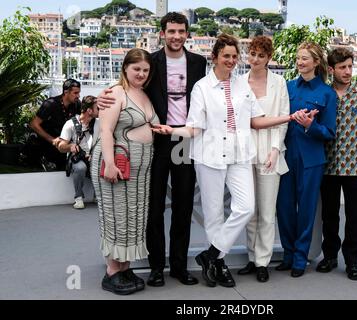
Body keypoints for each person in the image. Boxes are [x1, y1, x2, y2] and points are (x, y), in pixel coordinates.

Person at [153, 34, 299, 288]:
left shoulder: (243, 86)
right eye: (226, 56)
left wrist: (289, 118)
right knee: (213, 215)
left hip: (240, 154)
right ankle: (218, 264)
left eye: (234, 56)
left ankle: (211, 254)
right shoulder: (202, 88)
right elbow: (194, 128)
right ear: (215, 57)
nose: (231, 60)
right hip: (209, 157)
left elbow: (256, 121)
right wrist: (172, 130)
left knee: (246, 208)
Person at [97, 12, 206, 287]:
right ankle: (157, 267)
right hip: (156, 141)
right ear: (163, 33)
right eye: (171, 31)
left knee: (183, 205)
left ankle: (179, 266)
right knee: (152, 206)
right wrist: (99, 97)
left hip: (182, 139)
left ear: (187, 33)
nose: (176, 36)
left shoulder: (198, 62)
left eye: (181, 31)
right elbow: (127, 86)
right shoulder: (152, 61)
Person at [91, 48, 159, 295]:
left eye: (145, 70)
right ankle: (112, 271)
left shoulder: (143, 94)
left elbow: (145, 123)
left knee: (134, 218)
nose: (141, 74)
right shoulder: (115, 93)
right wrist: (109, 163)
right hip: (117, 164)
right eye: (136, 69)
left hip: (139, 171)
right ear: (125, 69)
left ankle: (125, 267)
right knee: (116, 216)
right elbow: (106, 130)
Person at [316, 48, 357, 281]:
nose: (348, 71)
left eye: (350, 67)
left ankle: (353, 262)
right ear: (331, 70)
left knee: (354, 216)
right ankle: (330, 256)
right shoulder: (324, 95)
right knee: (329, 215)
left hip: (354, 166)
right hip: (328, 166)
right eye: (342, 67)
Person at [276, 42, 337, 278]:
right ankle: (288, 254)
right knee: (284, 208)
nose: (300, 62)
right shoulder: (287, 87)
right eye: (298, 58)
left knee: (306, 211)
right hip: (286, 154)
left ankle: (300, 258)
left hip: (312, 159)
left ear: (316, 62)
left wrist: (311, 125)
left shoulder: (327, 93)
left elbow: (329, 132)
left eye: (305, 58)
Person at [237, 36, 289, 283]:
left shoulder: (279, 83)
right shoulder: (238, 82)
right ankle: (250, 257)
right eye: (252, 54)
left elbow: (284, 117)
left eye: (261, 55)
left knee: (268, 212)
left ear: (269, 58)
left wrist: (276, 149)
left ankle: (262, 262)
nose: (255, 59)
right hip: (245, 154)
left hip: (270, 153)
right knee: (250, 211)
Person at [57, 95, 99, 209]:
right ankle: (78, 198)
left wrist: (95, 155)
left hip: (93, 157)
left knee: (104, 164)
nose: (100, 110)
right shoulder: (70, 124)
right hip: (77, 158)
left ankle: (98, 196)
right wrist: (70, 146)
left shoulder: (99, 123)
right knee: (80, 168)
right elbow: (60, 146)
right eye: (98, 108)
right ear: (89, 111)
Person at [30, 79, 81, 170]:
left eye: (79, 93)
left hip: (64, 146)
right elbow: (34, 124)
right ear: (66, 92)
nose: (78, 96)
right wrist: (52, 139)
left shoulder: (76, 104)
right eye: (75, 93)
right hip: (46, 146)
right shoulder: (51, 104)